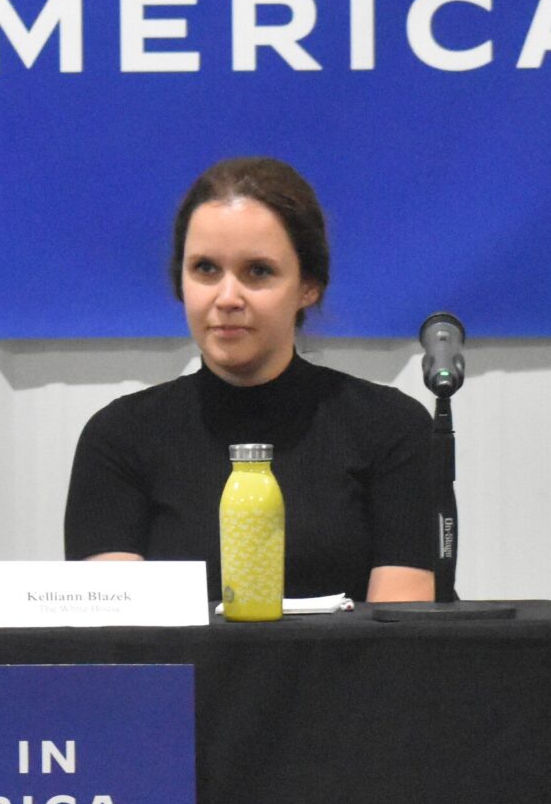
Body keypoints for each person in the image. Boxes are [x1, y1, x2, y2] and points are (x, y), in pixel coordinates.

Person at [63, 156, 438, 602]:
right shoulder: (119, 438)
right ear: (180, 282)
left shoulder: (390, 428)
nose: (227, 298)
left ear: (308, 286)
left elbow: (399, 639)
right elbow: (120, 643)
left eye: (257, 271)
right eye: (205, 269)